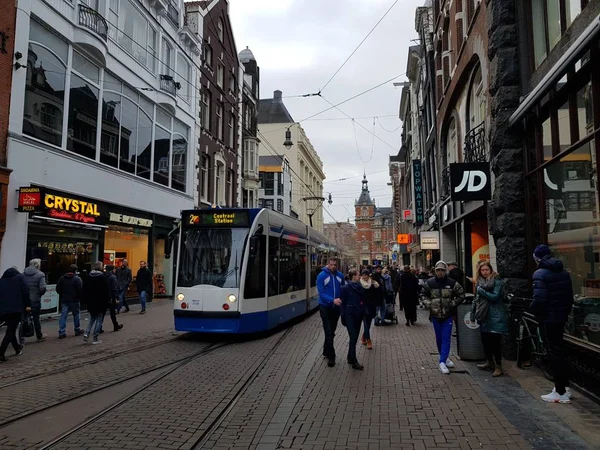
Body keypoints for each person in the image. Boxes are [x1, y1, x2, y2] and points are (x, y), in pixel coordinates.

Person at [531, 244, 574, 404]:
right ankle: (565, 387)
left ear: (537, 258)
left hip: (548, 318)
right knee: (560, 351)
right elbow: (569, 297)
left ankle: (560, 392)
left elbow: (539, 300)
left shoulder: (540, 273)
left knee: (554, 353)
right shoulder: (563, 272)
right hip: (560, 317)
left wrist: (533, 311)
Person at [421, 261, 465, 374]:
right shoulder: (430, 283)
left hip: (447, 315)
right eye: (438, 270)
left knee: (446, 338)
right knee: (439, 339)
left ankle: (442, 361)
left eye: (442, 270)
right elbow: (422, 294)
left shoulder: (452, 283)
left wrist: (452, 304)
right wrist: (429, 304)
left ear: (445, 271)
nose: (440, 272)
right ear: (435, 271)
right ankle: (444, 357)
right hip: (435, 316)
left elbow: (461, 294)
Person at [471, 261, 508, 377]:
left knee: (495, 342)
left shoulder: (496, 282)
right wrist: (473, 313)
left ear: (491, 270)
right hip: (483, 315)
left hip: (495, 315)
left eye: (487, 270)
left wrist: (482, 291)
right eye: (482, 270)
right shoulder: (479, 283)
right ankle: (489, 362)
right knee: (485, 341)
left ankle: (498, 366)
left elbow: (495, 297)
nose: (485, 272)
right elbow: (476, 299)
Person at [316, 258, 345, 367]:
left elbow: (343, 288)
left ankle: (325, 350)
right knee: (328, 331)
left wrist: (342, 299)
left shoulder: (340, 276)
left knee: (331, 331)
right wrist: (332, 300)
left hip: (336, 308)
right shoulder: (321, 276)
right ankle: (331, 356)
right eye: (331, 265)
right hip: (325, 307)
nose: (333, 267)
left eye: (335, 265)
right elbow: (321, 292)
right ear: (328, 264)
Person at [0, 267, 30, 362]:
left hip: (3, 309)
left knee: (11, 329)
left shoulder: (2, 280)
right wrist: (28, 305)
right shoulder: (20, 278)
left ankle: (17, 348)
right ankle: (1, 353)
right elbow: (25, 291)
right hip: (15, 308)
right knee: (10, 331)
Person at [339, 269, 365, 370]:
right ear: (353, 276)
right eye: (358, 275)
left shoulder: (361, 287)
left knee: (354, 337)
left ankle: (350, 357)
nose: (360, 277)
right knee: (353, 336)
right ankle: (354, 361)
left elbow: (363, 300)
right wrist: (343, 316)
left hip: (358, 314)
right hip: (349, 315)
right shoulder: (345, 288)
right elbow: (342, 303)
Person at [83, 261, 110, 344]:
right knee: (99, 319)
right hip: (100, 302)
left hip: (91, 302)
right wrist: (107, 300)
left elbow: (85, 289)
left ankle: (86, 333)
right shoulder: (102, 277)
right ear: (101, 267)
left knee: (92, 318)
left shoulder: (88, 277)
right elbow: (106, 291)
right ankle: (95, 338)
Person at [21, 258, 47, 343]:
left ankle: (21, 337)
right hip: (35, 299)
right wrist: (39, 294)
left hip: (24, 300)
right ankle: (39, 336)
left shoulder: (23, 274)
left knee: (23, 318)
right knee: (36, 318)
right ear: (37, 265)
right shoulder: (40, 274)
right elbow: (42, 288)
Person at [57, 265, 84, 338]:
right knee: (76, 315)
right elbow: (80, 290)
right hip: (74, 300)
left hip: (64, 300)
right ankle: (77, 329)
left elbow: (58, 289)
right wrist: (78, 297)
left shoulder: (62, 278)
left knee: (63, 315)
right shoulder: (77, 279)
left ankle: (61, 331)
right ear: (75, 271)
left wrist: (62, 295)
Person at [360, 269, 380, 350]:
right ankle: (369, 340)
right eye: (363, 275)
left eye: (365, 274)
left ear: (368, 275)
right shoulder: (359, 284)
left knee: (368, 323)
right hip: (363, 306)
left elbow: (377, 294)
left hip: (371, 306)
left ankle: (364, 336)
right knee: (365, 323)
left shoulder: (373, 284)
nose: (364, 276)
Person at [101, 265, 123, 332]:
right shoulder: (113, 277)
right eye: (114, 269)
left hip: (104, 297)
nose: (115, 270)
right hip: (111, 297)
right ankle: (115, 326)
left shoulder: (102, 276)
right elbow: (115, 288)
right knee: (112, 313)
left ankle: (99, 327)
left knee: (102, 313)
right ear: (111, 270)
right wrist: (116, 297)